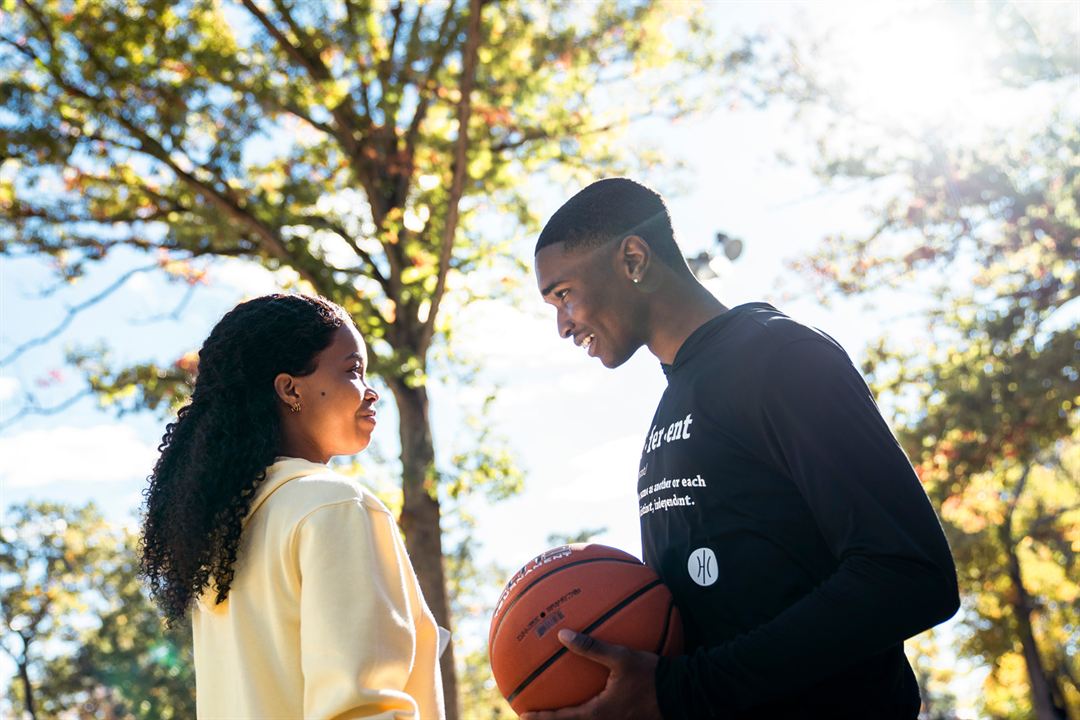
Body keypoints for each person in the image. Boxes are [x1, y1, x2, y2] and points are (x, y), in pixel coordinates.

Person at [525, 178, 960, 720]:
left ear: (633, 258)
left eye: (563, 294)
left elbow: (911, 573)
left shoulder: (780, 356)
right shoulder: (669, 410)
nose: (562, 326)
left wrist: (681, 691)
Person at [140, 293, 445, 720]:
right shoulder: (335, 507)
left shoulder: (222, 540)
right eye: (353, 370)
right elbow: (361, 708)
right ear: (289, 388)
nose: (370, 391)